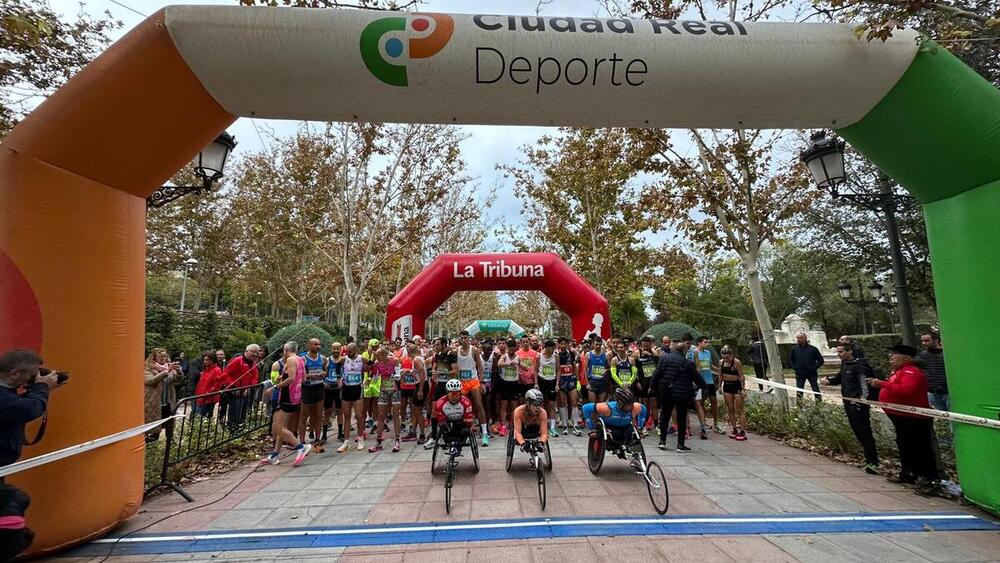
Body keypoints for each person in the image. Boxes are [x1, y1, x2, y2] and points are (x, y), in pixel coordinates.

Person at [867, 344, 942, 497]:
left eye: (895, 355)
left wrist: (882, 384)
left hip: (914, 418)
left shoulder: (911, 371)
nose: (891, 358)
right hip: (902, 417)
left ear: (906, 357)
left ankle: (930, 480)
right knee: (905, 446)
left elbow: (907, 390)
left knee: (921, 449)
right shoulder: (899, 371)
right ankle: (909, 473)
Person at [0, 350, 66, 470]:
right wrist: (42, 386)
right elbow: (30, 409)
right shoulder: (4, 397)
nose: (35, 378)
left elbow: (13, 410)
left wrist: (43, 390)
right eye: (33, 374)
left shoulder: (6, 394)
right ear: (14, 373)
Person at [822, 344, 879, 474]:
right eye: (838, 352)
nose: (839, 354)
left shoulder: (860, 366)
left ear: (850, 351)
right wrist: (829, 381)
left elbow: (864, 386)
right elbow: (839, 379)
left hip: (858, 405)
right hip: (848, 402)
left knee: (865, 432)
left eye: (841, 352)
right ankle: (868, 458)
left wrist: (861, 402)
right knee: (858, 432)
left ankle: (873, 461)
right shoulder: (845, 365)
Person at [261, 341, 311, 466]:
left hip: (287, 396)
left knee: (277, 427)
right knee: (281, 427)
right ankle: (275, 454)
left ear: (285, 349)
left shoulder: (290, 360)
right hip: (295, 396)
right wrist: (282, 377)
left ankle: (300, 446)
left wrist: (274, 387)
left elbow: (291, 378)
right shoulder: (301, 360)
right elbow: (303, 378)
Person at [651, 341, 699, 452]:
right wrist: (702, 386)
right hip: (682, 394)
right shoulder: (688, 363)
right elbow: (696, 378)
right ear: (684, 350)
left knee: (665, 416)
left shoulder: (664, 359)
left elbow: (657, 374)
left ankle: (662, 441)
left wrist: (652, 386)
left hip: (667, 392)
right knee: (681, 418)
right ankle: (680, 444)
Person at [455, 331, 490, 446]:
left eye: (465, 337)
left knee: (479, 405)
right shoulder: (456, 351)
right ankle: (467, 433)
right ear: (459, 339)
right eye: (461, 338)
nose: (463, 339)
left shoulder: (474, 350)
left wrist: (482, 382)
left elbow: (480, 366)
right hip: (462, 382)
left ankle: (484, 432)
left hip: (474, 381)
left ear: (468, 338)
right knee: (464, 408)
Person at [581, 387, 647, 446]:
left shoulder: (636, 407)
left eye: (631, 404)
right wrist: (591, 428)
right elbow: (585, 408)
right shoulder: (606, 408)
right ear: (620, 404)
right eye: (628, 405)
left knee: (632, 436)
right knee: (611, 435)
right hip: (609, 428)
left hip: (626, 427)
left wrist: (640, 427)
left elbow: (644, 410)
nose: (631, 407)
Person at [424, 338, 458, 450]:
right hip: (439, 385)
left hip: (449, 386)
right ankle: (434, 437)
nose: (435, 346)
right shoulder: (437, 355)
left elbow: (455, 371)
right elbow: (434, 369)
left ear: (444, 344)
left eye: (438, 344)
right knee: (435, 411)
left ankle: (449, 437)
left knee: (449, 411)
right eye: (435, 344)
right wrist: (433, 373)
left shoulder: (452, 354)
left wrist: (442, 373)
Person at [143, 348, 182, 442]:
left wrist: (179, 372)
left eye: (165, 356)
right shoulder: (148, 369)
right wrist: (166, 371)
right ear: (154, 358)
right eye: (160, 356)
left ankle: (170, 442)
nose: (163, 358)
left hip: (168, 401)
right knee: (154, 425)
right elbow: (151, 381)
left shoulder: (169, 367)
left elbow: (177, 380)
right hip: (154, 402)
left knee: (169, 423)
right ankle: (152, 444)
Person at [220, 344, 262, 429]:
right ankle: (232, 427)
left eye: (256, 353)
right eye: (253, 352)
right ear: (247, 351)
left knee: (243, 411)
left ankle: (239, 427)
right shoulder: (238, 360)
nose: (254, 354)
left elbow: (255, 377)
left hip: (245, 391)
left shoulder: (253, 364)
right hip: (235, 390)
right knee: (235, 411)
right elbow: (226, 374)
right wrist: (233, 386)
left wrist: (249, 387)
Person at [369, 347, 402, 453]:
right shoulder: (377, 363)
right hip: (383, 390)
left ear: (384, 355)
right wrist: (371, 377)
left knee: (396, 414)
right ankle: (378, 442)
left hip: (394, 390)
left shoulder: (394, 360)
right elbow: (375, 377)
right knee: (381, 415)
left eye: (378, 355)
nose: (376, 357)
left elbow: (398, 376)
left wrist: (392, 375)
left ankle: (397, 440)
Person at [337, 343, 367, 453]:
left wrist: (367, 378)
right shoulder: (344, 359)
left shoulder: (361, 359)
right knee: (347, 415)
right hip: (346, 389)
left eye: (350, 351)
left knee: (359, 415)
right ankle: (346, 441)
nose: (348, 353)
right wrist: (339, 379)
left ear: (355, 350)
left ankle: (360, 438)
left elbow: (372, 366)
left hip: (357, 388)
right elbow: (336, 367)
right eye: (347, 351)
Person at [688, 336, 720, 437]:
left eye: (708, 342)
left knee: (714, 401)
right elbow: (692, 367)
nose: (708, 344)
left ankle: (716, 424)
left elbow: (710, 366)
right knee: (700, 403)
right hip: (699, 383)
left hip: (710, 381)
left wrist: (720, 370)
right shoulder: (694, 353)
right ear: (699, 343)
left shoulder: (708, 353)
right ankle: (703, 424)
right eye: (705, 342)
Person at [432, 379, 474, 457]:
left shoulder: (466, 403)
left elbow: (468, 421)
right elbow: (441, 421)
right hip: (448, 423)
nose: (454, 397)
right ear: (447, 393)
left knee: (465, 431)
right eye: (452, 394)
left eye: (456, 394)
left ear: (460, 393)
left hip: (462, 423)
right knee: (445, 430)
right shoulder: (440, 403)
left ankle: (458, 446)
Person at [512, 388, 549, 468]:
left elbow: (544, 433)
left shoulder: (543, 413)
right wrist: (522, 443)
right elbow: (517, 432)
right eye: (535, 404)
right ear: (528, 403)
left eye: (540, 404)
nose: (538, 407)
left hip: (535, 428)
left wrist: (541, 443)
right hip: (523, 430)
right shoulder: (518, 411)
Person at [717, 346, 748, 441]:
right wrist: (719, 386)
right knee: (730, 409)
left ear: (731, 355)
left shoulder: (737, 362)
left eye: (728, 357)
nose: (726, 359)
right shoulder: (721, 362)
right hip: (727, 386)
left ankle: (742, 430)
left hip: (736, 386)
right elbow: (720, 374)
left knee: (739, 409)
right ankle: (734, 429)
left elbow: (741, 376)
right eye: (724, 357)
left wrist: (743, 389)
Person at [555, 337, 581, 436]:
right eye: (561, 344)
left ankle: (575, 425)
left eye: (565, 344)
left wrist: (578, 381)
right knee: (562, 402)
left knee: (574, 402)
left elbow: (574, 366)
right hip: (561, 381)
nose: (563, 345)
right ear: (558, 345)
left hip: (571, 380)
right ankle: (564, 424)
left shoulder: (571, 354)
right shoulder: (556, 355)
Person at [635, 336, 660, 437]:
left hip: (653, 382)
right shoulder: (637, 353)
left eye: (647, 345)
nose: (645, 347)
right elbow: (633, 368)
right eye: (643, 345)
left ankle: (656, 426)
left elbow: (659, 364)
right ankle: (643, 425)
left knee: (654, 404)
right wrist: (637, 382)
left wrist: (650, 355)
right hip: (643, 383)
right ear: (641, 345)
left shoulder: (655, 352)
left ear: (650, 344)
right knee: (644, 405)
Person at [918, 333, 948, 412]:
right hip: (932, 391)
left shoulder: (946, 354)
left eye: (927, 341)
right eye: (923, 341)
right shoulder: (923, 355)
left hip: (947, 392)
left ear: (936, 341)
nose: (924, 343)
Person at [790, 332, 824, 403]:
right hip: (799, 373)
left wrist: (813, 368)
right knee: (799, 389)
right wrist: (795, 368)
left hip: (812, 373)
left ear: (805, 338)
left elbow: (820, 360)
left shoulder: (813, 349)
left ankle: (819, 403)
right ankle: (799, 404)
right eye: (797, 338)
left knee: (815, 388)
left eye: (800, 338)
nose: (798, 339)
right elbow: (791, 360)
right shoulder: (794, 349)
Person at [495, 339, 520, 437]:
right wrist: (509, 364)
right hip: (505, 383)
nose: (511, 351)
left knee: (514, 406)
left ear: (515, 349)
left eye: (513, 350)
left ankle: (513, 426)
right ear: (507, 349)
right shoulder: (504, 356)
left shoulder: (518, 357)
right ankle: (503, 427)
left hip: (514, 383)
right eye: (510, 350)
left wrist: (520, 363)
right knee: (504, 405)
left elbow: (526, 367)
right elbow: (499, 364)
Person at [536, 339, 560, 438]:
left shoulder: (556, 356)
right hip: (542, 381)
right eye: (550, 347)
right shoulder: (539, 356)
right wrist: (536, 383)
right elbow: (535, 370)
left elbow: (558, 370)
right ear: (545, 347)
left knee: (551, 404)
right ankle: (541, 426)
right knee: (540, 404)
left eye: (553, 347)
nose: (552, 349)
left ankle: (553, 427)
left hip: (552, 382)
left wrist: (557, 383)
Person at [324, 342, 344, 443]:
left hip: (339, 389)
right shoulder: (327, 360)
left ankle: (340, 434)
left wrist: (342, 382)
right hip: (329, 388)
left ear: (341, 349)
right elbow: (323, 373)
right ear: (331, 349)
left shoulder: (343, 360)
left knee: (340, 411)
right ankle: (324, 435)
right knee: (327, 411)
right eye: (334, 349)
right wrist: (324, 383)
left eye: (338, 349)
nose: (336, 351)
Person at [194, 351, 223, 417]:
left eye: (207, 360)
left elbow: (217, 384)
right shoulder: (205, 370)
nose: (205, 361)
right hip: (201, 396)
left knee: (205, 416)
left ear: (212, 360)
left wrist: (209, 392)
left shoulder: (217, 370)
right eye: (204, 360)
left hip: (209, 398)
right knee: (198, 415)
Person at [585, 337, 610, 409]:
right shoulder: (588, 355)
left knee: (601, 406)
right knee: (592, 405)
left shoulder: (606, 355)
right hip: (592, 382)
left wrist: (606, 370)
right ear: (593, 344)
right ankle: (593, 420)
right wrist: (587, 383)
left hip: (602, 383)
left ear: (602, 344)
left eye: (600, 344)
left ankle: (600, 420)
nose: (598, 346)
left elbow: (611, 368)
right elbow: (585, 370)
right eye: (596, 344)